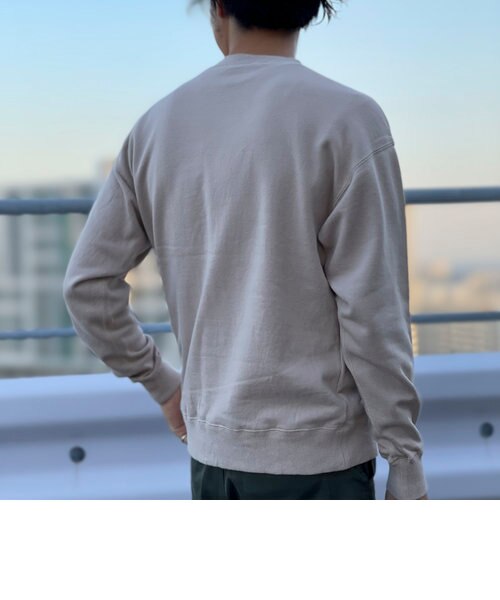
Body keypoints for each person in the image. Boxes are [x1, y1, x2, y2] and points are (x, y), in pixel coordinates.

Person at [62, 0, 429, 500]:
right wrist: (404, 458)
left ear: (218, 6)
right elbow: (373, 313)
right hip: (321, 458)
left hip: (214, 457)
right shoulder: (349, 120)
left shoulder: (157, 127)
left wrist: (164, 383)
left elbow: (86, 287)